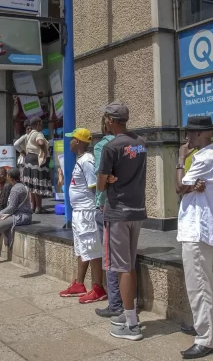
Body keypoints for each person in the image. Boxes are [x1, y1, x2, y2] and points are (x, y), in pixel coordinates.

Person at [97, 101, 148, 341]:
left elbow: (99, 183)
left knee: (121, 267)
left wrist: (107, 180)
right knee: (130, 263)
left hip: (117, 211)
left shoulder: (111, 147)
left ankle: (132, 324)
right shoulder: (141, 143)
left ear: (110, 120)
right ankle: (130, 312)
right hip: (137, 210)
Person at [174, 116, 213, 359]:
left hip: (198, 230)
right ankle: (200, 325)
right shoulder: (203, 158)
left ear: (202, 134)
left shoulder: (206, 158)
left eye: (191, 133)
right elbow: (184, 186)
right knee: (198, 283)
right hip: (194, 228)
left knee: (200, 286)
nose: (187, 138)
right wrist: (189, 186)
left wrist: (180, 159)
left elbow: (177, 186)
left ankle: (206, 339)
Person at [59, 128, 107, 304]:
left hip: (87, 212)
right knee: (82, 248)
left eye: (72, 139)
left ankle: (98, 287)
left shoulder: (87, 161)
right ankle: (79, 283)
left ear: (78, 142)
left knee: (92, 248)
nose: (69, 141)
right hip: (79, 213)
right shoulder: (81, 160)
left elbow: (94, 186)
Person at [94, 117, 122, 318]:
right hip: (128, 206)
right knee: (126, 259)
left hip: (106, 206)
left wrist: (106, 180)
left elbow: (101, 175)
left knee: (110, 258)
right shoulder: (133, 144)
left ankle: (115, 303)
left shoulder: (103, 146)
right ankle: (129, 301)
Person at [23, 115, 52, 213]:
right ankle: (39, 207)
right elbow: (40, 142)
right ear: (38, 123)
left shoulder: (30, 134)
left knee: (33, 186)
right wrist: (44, 151)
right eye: (42, 123)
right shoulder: (38, 134)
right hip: (36, 161)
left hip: (29, 160)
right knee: (37, 185)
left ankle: (34, 206)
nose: (43, 125)